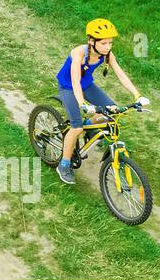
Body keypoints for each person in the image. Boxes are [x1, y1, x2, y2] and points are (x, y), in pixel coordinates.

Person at [54, 18, 150, 185]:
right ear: (91, 41)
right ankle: (64, 164)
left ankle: (88, 127)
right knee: (76, 128)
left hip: (87, 85)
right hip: (68, 87)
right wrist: (83, 104)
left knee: (111, 111)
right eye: (104, 43)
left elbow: (121, 74)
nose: (108, 47)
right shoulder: (79, 53)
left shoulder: (107, 55)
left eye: (110, 43)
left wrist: (137, 95)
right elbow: (75, 81)